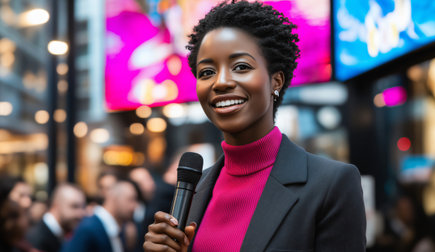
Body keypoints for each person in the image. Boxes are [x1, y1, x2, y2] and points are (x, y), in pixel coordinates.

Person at [143, 1, 366, 251]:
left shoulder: (331, 185)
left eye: (241, 67)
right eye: (206, 72)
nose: (221, 82)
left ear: (276, 81)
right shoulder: (195, 190)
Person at [63, 179, 138, 252]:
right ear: (115, 198)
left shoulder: (120, 230)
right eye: (130, 199)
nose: (134, 206)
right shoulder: (89, 228)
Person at [26, 183, 86, 252]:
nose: (81, 213)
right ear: (56, 206)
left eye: (83, 207)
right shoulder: (35, 239)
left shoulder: (63, 235)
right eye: (74, 206)